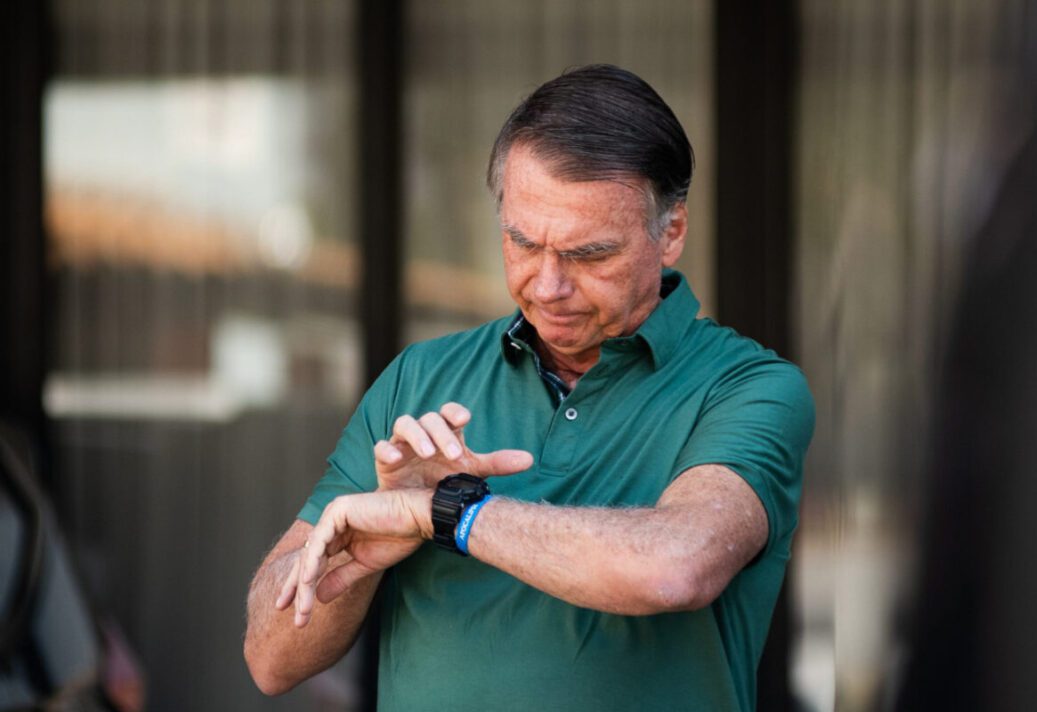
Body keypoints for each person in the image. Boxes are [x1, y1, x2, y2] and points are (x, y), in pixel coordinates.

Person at [244, 64, 814, 712]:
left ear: (672, 232)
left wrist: (446, 512)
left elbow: (676, 566)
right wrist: (368, 541)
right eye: (521, 242)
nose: (547, 286)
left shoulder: (747, 388)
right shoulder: (419, 378)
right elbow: (270, 660)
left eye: (590, 254)